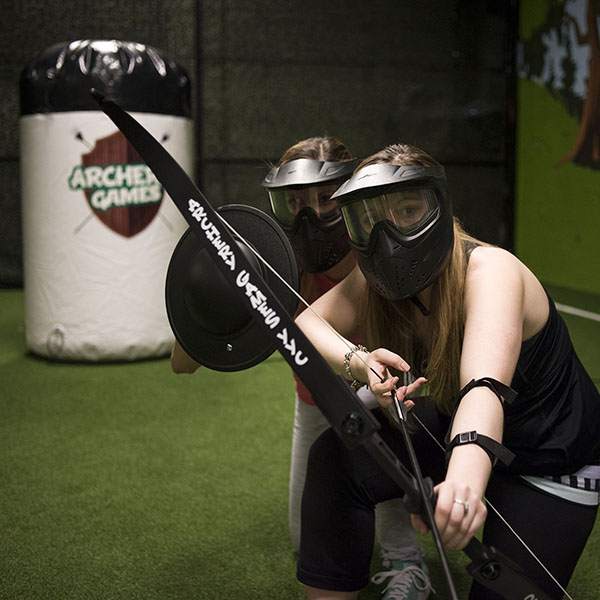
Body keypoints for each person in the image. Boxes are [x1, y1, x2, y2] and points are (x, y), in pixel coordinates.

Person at [294, 143, 600, 600]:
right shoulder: (373, 278)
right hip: (459, 427)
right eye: (369, 218)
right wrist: (359, 362)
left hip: (549, 462)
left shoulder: (491, 270)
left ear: (438, 206)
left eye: (408, 209)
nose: (388, 234)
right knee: (337, 458)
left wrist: (461, 483)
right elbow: (303, 325)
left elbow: (484, 388)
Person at [262, 137, 432, 600]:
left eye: (324, 200)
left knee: (374, 435)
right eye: (295, 202)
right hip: (314, 399)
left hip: (387, 399)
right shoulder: (280, 261)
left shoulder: (380, 251)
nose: (309, 216)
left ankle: (406, 561)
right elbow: (184, 361)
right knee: (307, 543)